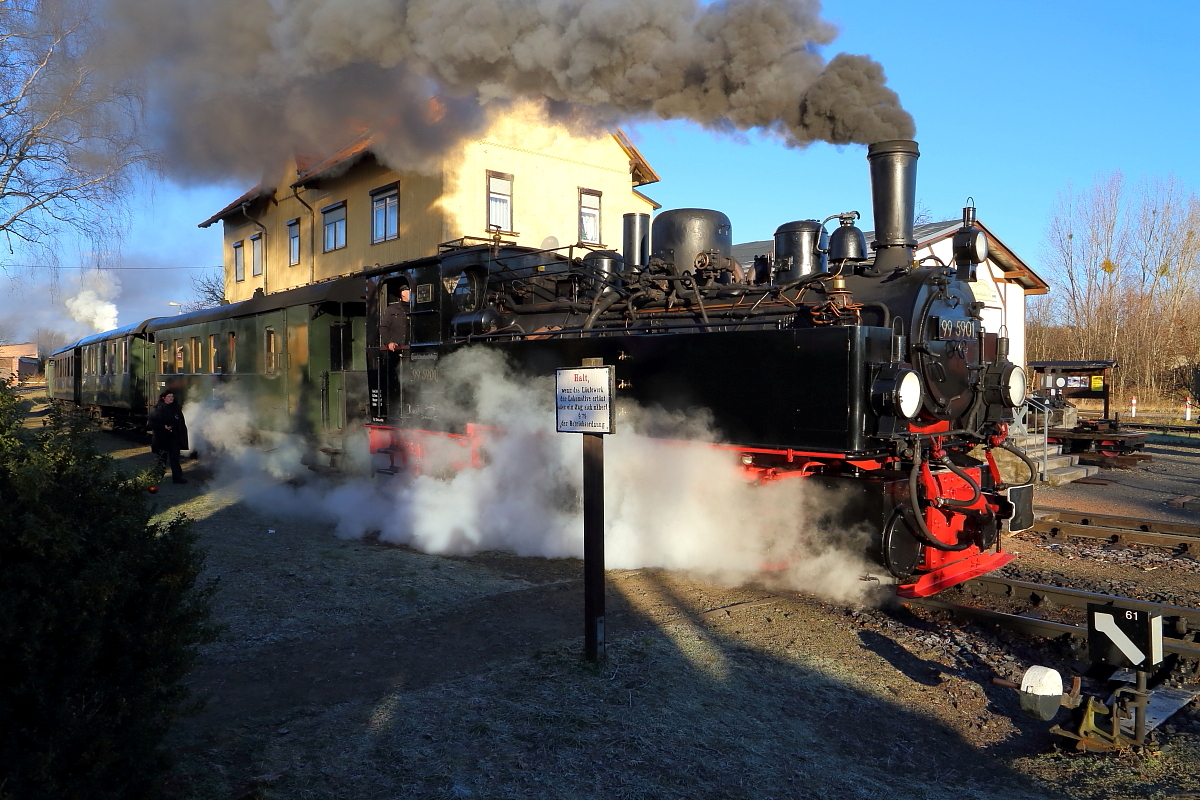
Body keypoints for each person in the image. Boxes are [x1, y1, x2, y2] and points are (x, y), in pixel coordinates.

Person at [148, 390, 189, 484]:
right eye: (169, 396)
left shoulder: (176, 409)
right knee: (162, 459)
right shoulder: (158, 409)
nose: (171, 398)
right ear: (164, 398)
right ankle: (158, 477)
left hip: (174, 437)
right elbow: (151, 423)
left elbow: (181, 423)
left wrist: (176, 429)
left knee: (175, 459)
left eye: (172, 397)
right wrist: (163, 427)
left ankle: (177, 478)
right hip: (162, 437)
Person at [379, 285, 410, 352]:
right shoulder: (391, 309)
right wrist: (389, 342)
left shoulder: (414, 309)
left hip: (411, 348)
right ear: (403, 293)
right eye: (409, 291)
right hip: (396, 349)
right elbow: (384, 327)